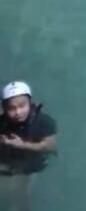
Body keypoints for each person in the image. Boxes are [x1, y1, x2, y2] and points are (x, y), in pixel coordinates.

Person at [0, 81, 57, 211]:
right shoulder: (1, 123)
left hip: (32, 163)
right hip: (8, 163)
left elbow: (51, 147)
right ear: (4, 108)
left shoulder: (44, 122)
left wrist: (22, 145)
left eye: (22, 106)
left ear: (30, 103)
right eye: (11, 108)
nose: (18, 112)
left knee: (20, 196)